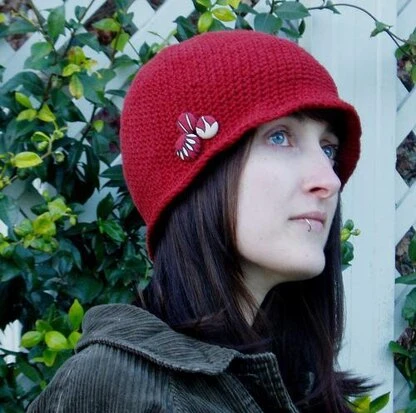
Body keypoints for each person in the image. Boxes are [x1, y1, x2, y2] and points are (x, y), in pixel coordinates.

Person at [27, 30, 373, 412]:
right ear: (196, 182)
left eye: (328, 149)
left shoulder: (283, 383)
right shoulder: (120, 389)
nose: (329, 180)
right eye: (279, 137)